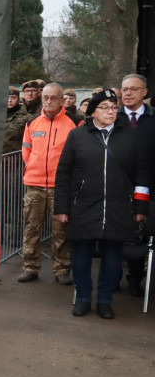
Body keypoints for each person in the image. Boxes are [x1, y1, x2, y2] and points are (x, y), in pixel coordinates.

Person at [55, 88, 149, 319]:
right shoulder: (78, 136)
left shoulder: (130, 136)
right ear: (92, 112)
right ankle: (84, 298)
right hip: (84, 205)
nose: (110, 111)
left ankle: (105, 300)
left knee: (112, 256)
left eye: (114, 107)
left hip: (118, 206)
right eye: (104, 108)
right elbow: (63, 173)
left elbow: (142, 175)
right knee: (81, 254)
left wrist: (139, 208)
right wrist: (62, 208)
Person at [19, 82, 75, 285]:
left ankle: (61, 268)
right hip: (34, 185)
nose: (49, 101)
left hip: (60, 187)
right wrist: (33, 168)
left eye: (53, 98)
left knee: (60, 230)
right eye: (46, 97)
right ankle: (30, 267)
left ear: (62, 100)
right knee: (31, 228)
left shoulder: (74, 122)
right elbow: (27, 150)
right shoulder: (32, 122)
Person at [117, 74, 154, 296]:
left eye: (133, 89)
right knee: (113, 236)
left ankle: (135, 280)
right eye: (124, 89)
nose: (127, 93)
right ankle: (111, 279)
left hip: (148, 190)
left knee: (139, 234)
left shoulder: (152, 119)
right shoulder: (112, 117)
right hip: (116, 189)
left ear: (144, 92)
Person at [2, 86, 29, 154]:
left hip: (17, 155)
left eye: (13, 98)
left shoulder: (26, 115)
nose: (9, 100)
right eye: (7, 97)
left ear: (18, 99)